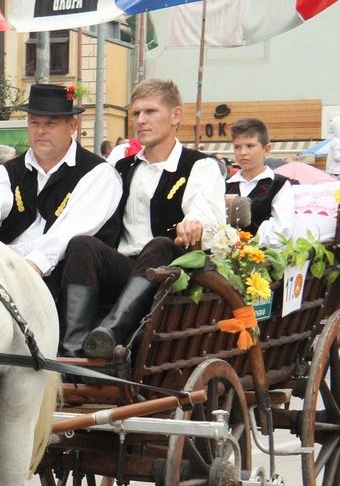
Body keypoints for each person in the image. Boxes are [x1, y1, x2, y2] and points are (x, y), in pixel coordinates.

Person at [60, 79, 225, 358]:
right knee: (81, 245)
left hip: (170, 275)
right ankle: (72, 350)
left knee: (159, 244)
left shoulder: (199, 166)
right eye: (136, 113)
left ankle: (109, 333)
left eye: (150, 112)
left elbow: (206, 213)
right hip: (126, 269)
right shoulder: (120, 167)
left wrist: (192, 223)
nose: (141, 120)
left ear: (175, 116)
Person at [0, 83, 121, 297]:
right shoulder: (12, 170)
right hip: (4, 273)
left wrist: (32, 266)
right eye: (34, 123)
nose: (40, 131)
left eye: (50, 123)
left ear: (72, 125)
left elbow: (72, 230)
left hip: (63, 282)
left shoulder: (98, 173)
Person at [224, 117, 294, 246]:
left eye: (250, 146)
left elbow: (281, 232)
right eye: (237, 147)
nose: (243, 152)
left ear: (266, 149)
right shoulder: (225, 185)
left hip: (262, 260)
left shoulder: (279, 185)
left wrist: (245, 243)